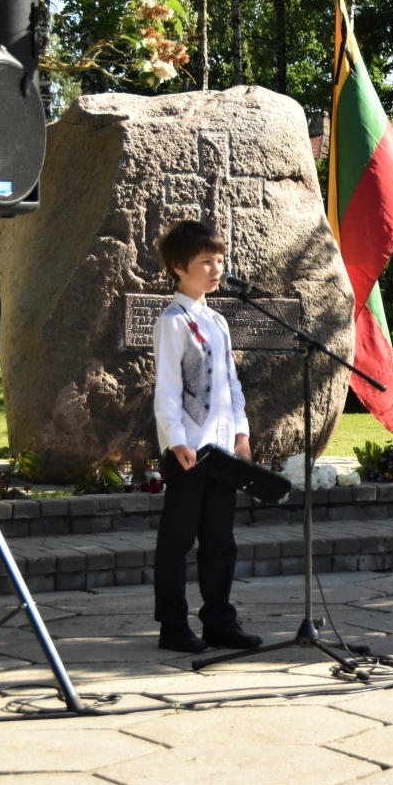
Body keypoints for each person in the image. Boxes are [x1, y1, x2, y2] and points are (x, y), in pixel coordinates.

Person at [151, 219, 263, 653]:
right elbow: (166, 389)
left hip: (220, 452)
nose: (217, 269)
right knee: (177, 541)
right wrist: (176, 440)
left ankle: (219, 620)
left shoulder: (216, 320)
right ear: (179, 267)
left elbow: (231, 384)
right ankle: (173, 626)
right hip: (187, 452)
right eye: (206, 262)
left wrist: (241, 432)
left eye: (220, 260)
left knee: (220, 539)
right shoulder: (172, 322)